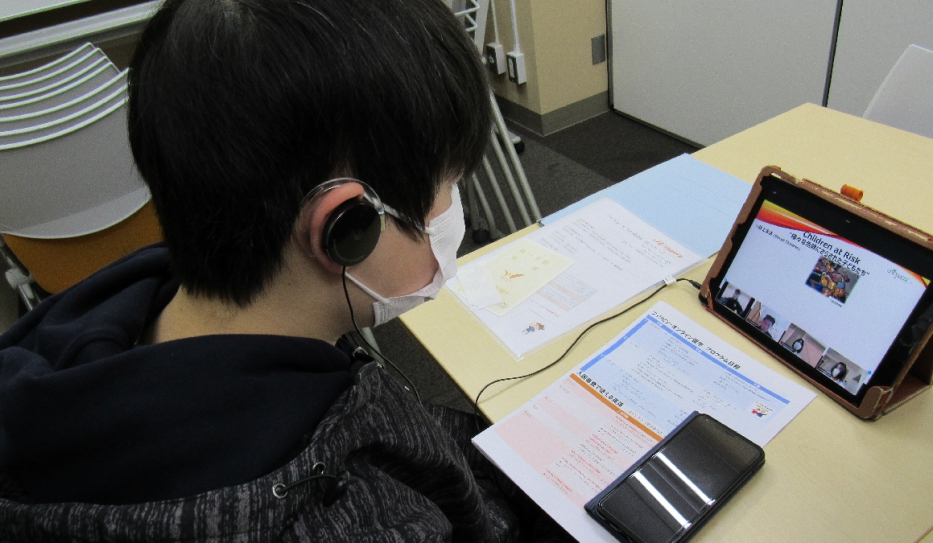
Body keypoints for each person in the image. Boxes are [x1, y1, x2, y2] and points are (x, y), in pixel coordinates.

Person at [0, 0, 572, 541]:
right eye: (447, 186)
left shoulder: (101, 327)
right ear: (346, 227)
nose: (453, 210)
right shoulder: (349, 520)